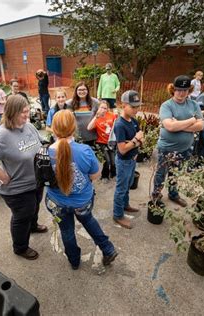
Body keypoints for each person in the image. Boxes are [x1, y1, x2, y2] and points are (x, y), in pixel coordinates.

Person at [45, 110, 118, 269]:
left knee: (67, 231)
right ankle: (107, 248)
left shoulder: (45, 152)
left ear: (54, 129)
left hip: (57, 202)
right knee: (89, 221)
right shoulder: (85, 151)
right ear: (74, 128)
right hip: (82, 201)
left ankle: (74, 261)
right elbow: (95, 175)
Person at [0, 95, 48, 260]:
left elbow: (42, 142)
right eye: (23, 112)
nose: (27, 115)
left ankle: (33, 226)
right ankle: (20, 247)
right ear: (12, 112)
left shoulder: (29, 126)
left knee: (34, 207)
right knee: (22, 216)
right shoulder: (1, 135)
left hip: (35, 182)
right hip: (17, 189)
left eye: (28, 111)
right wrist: (3, 177)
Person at [152, 75, 204, 209]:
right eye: (179, 90)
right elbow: (169, 126)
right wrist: (192, 120)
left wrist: (179, 125)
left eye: (185, 90)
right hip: (166, 148)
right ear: (173, 90)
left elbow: (201, 126)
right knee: (161, 173)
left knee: (175, 173)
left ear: (189, 91)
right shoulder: (167, 105)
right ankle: (156, 195)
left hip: (184, 148)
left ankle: (173, 194)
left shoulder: (193, 104)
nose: (181, 93)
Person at [112, 90, 144, 229]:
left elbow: (140, 138)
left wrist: (136, 145)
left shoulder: (134, 121)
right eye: (133, 107)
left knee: (129, 184)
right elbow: (122, 149)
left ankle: (125, 205)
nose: (136, 109)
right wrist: (136, 140)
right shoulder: (120, 125)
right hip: (124, 161)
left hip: (132, 159)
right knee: (121, 188)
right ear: (123, 105)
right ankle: (118, 214)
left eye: (137, 106)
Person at [87, 100, 117, 181]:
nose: (103, 110)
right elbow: (89, 127)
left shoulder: (111, 115)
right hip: (101, 142)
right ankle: (104, 176)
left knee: (113, 161)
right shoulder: (96, 118)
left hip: (111, 142)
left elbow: (117, 125)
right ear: (98, 108)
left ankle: (113, 173)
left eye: (105, 108)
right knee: (106, 161)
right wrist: (96, 117)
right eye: (101, 107)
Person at [66, 81, 99, 147]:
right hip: (77, 137)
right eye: (79, 90)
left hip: (92, 136)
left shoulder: (95, 102)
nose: (82, 91)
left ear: (87, 90)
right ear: (76, 91)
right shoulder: (69, 103)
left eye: (84, 89)